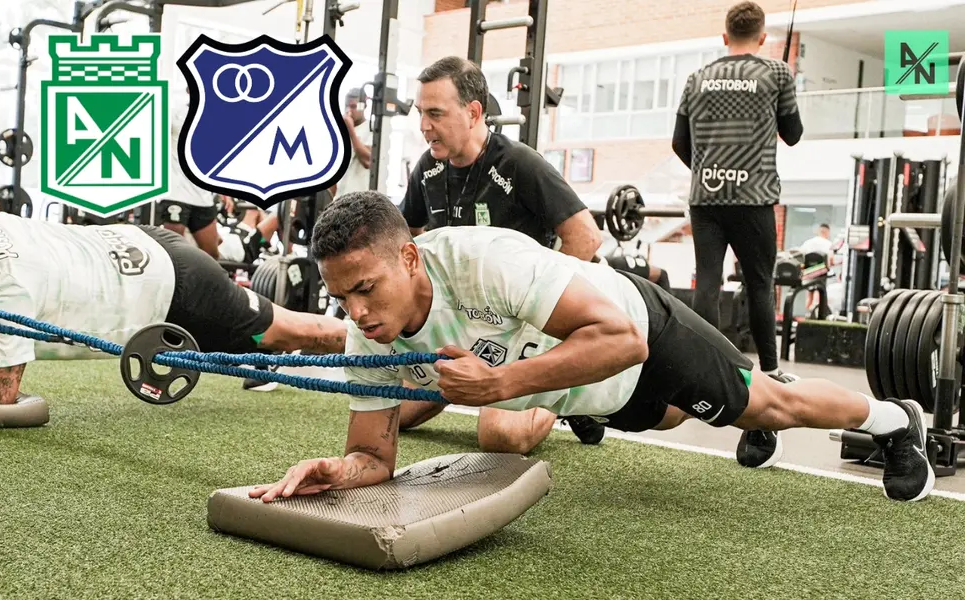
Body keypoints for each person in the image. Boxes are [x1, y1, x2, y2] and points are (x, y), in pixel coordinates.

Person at [249, 191, 935, 505]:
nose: (358, 313)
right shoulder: (366, 334)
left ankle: (895, 421)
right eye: (343, 299)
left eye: (367, 288)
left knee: (768, 406)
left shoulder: (486, 261)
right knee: (672, 414)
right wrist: (339, 472)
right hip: (593, 391)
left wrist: (498, 387)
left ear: (410, 257)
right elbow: (374, 455)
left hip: (641, 329)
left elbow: (623, 340)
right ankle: (718, 405)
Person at [0, 187, 348, 404]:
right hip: (142, 252)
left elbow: (1, 394)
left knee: (289, 331)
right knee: (260, 347)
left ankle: (395, 345)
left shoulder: (4, 281)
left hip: (174, 283)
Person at [394, 55, 608, 450]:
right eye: (421, 113)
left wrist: (550, 321)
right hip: (465, 327)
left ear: (473, 112)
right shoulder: (427, 168)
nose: (424, 126)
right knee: (394, 415)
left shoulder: (519, 164)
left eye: (436, 114)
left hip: (518, 324)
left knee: (502, 437)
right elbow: (410, 237)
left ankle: (560, 387)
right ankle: (473, 380)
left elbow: (585, 237)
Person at [672, 1, 804, 459]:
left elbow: (678, 143)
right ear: (763, 37)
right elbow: (794, 134)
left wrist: (709, 172)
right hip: (754, 199)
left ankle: (706, 371)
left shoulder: (697, 77)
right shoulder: (777, 74)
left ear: (725, 37)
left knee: (707, 282)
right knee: (760, 283)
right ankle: (768, 371)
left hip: (706, 196)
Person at [152, 92, 221, 259]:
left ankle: (205, 285)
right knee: (172, 251)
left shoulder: (214, 112)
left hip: (202, 196)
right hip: (176, 193)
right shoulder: (175, 107)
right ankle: (173, 284)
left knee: (212, 255)